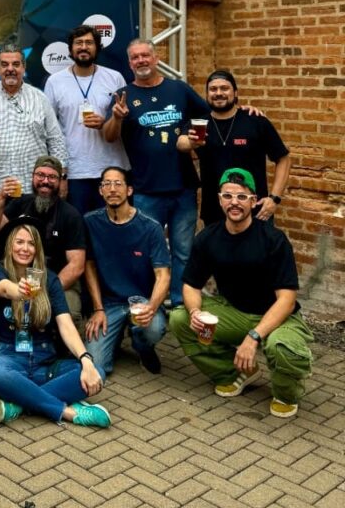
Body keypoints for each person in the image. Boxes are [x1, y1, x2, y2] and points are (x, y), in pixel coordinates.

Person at [169, 168, 314, 419]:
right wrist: (195, 312)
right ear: (219, 199)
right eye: (228, 196)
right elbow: (191, 285)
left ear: (254, 200)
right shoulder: (208, 238)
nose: (234, 203)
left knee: (283, 347)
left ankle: (285, 392)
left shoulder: (273, 239)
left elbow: (287, 300)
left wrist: (253, 337)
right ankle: (236, 373)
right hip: (235, 312)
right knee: (180, 319)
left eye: (241, 197)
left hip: (277, 317)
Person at [103, 38, 208, 306]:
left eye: (145, 55)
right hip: (146, 189)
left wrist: (239, 110)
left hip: (183, 187)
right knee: (147, 250)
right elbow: (108, 136)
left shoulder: (179, 90)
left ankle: (179, 303)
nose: (141, 61)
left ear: (156, 57)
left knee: (183, 251)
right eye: (135, 57)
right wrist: (117, 117)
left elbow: (209, 114)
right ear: (129, 63)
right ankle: (150, 300)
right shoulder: (123, 95)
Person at [0, 220, 111, 428]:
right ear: (9, 245)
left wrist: (86, 360)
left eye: (31, 243)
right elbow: (3, 288)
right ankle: (68, 412)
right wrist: (19, 291)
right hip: (11, 359)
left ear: (37, 248)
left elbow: (66, 324)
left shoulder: (49, 280)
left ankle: (20, 403)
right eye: (19, 242)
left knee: (97, 372)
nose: (25, 248)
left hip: (46, 364)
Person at [83, 166, 171, 375]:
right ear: (100, 191)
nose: (112, 189)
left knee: (154, 329)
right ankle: (115, 337)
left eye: (118, 184)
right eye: (107, 184)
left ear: (129, 190)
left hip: (141, 302)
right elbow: (89, 266)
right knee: (96, 366)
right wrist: (97, 309)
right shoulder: (90, 222)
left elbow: (163, 275)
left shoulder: (150, 227)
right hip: (108, 304)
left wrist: (151, 306)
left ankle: (142, 347)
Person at [177, 69, 291, 225]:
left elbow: (283, 159)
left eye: (224, 88)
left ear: (235, 93)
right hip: (215, 212)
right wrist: (191, 143)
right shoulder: (198, 125)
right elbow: (181, 143)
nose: (218, 93)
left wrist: (274, 199)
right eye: (213, 89)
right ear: (207, 94)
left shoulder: (256, 121)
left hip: (255, 211)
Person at [0, 156, 85, 326]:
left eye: (52, 177)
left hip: (54, 280)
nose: (45, 181)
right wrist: (1, 197)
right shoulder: (20, 203)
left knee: (71, 307)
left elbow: (76, 265)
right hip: (13, 276)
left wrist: (44, 290)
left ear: (60, 181)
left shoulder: (70, 215)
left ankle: (60, 345)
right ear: (32, 177)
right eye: (40, 175)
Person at [44, 24, 130, 213]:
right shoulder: (55, 82)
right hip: (75, 172)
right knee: (79, 232)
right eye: (79, 43)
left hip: (112, 169)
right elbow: (51, 131)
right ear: (70, 49)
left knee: (111, 229)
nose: (83, 47)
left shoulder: (114, 78)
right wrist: (62, 174)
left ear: (97, 47)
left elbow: (126, 122)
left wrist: (106, 123)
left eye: (89, 43)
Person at [0, 44, 68, 198]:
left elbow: (56, 140)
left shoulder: (39, 98)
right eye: (4, 64)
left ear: (23, 67)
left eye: (16, 64)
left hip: (35, 186)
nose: (10, 69)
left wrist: (62, 177)